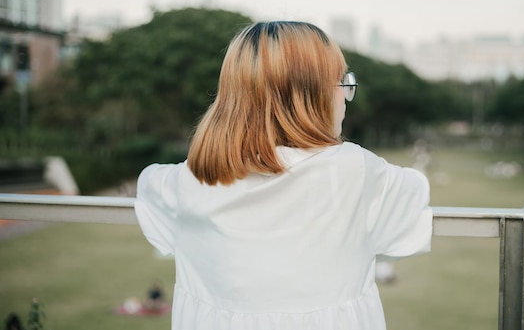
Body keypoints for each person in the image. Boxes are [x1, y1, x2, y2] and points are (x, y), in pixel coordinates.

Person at [135, 21, 432, 330]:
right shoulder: (356, 172)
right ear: (311, 94)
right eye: (342, 82)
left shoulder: (183, 182)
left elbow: (150, 185)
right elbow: (412, 197)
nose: (345, 96)